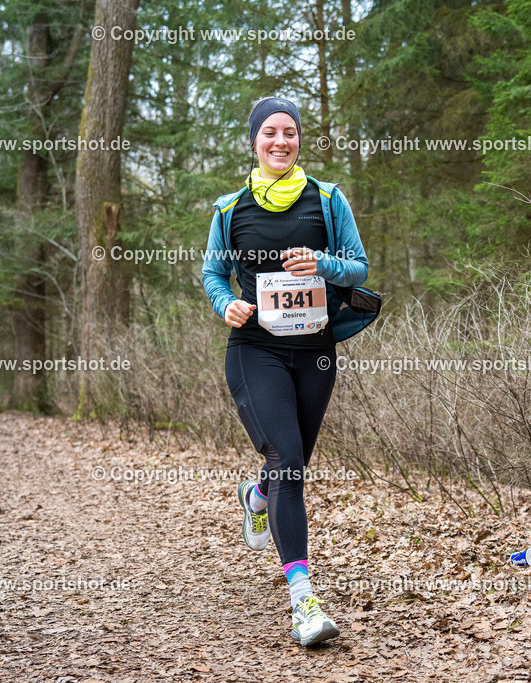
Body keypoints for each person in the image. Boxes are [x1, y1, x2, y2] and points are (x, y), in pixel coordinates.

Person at [202, 96, 371, 647]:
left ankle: (256, 496)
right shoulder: (231, 209)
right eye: (270, 132)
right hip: (255, 348)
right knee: (289, 462)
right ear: (254, 141)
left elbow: (358, 267)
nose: (281, 141)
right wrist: (225, 302)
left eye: (290, 132)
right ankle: (304, 603)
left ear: (299, 139)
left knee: (290, 465)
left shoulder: (328, 199)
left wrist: (322, 263)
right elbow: (213, 273)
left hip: (316, 351)